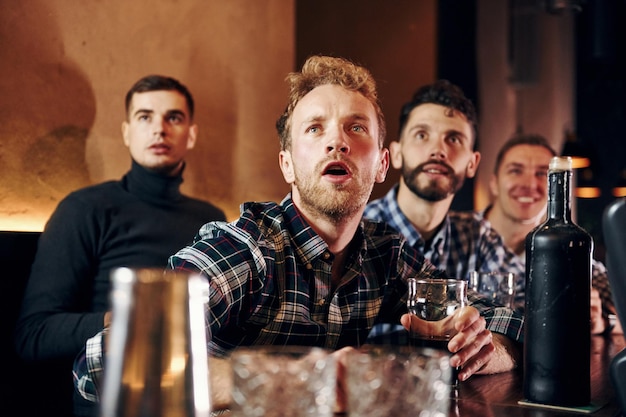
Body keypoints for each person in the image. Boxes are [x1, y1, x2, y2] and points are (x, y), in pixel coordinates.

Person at [73, 55, 523, 413]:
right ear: (287, 164)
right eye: (315, 129)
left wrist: (492, 349)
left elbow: (511, 321)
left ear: (383, 163)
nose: (337, 142)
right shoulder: (246, 247)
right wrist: (303, 377)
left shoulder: (386, 253)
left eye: (356, 128)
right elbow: (105, 365)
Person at [14, 75, 226, 417]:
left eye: (173, 117)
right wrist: (128, 321)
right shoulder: (85, 209)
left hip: (197, 397)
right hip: (108, 395)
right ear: (127, 132)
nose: (159, 129)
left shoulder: (211, 219)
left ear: (191, 134)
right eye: (145, 117)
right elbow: (33, 335)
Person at [363, 80, 526, 302]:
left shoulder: (477, 237)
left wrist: (587, 302)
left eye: (454, 139)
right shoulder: (359, 231)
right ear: (397, 154)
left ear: (472, 163)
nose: (438, 150)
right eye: (421, 135)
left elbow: (533, 296)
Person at [480, 132, 620, 334]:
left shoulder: (568, 250)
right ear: (494, 183)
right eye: (515, 171)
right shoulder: (458, 233)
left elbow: (620, 306)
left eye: (541, 173)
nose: (529, 185)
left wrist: (603, 322)